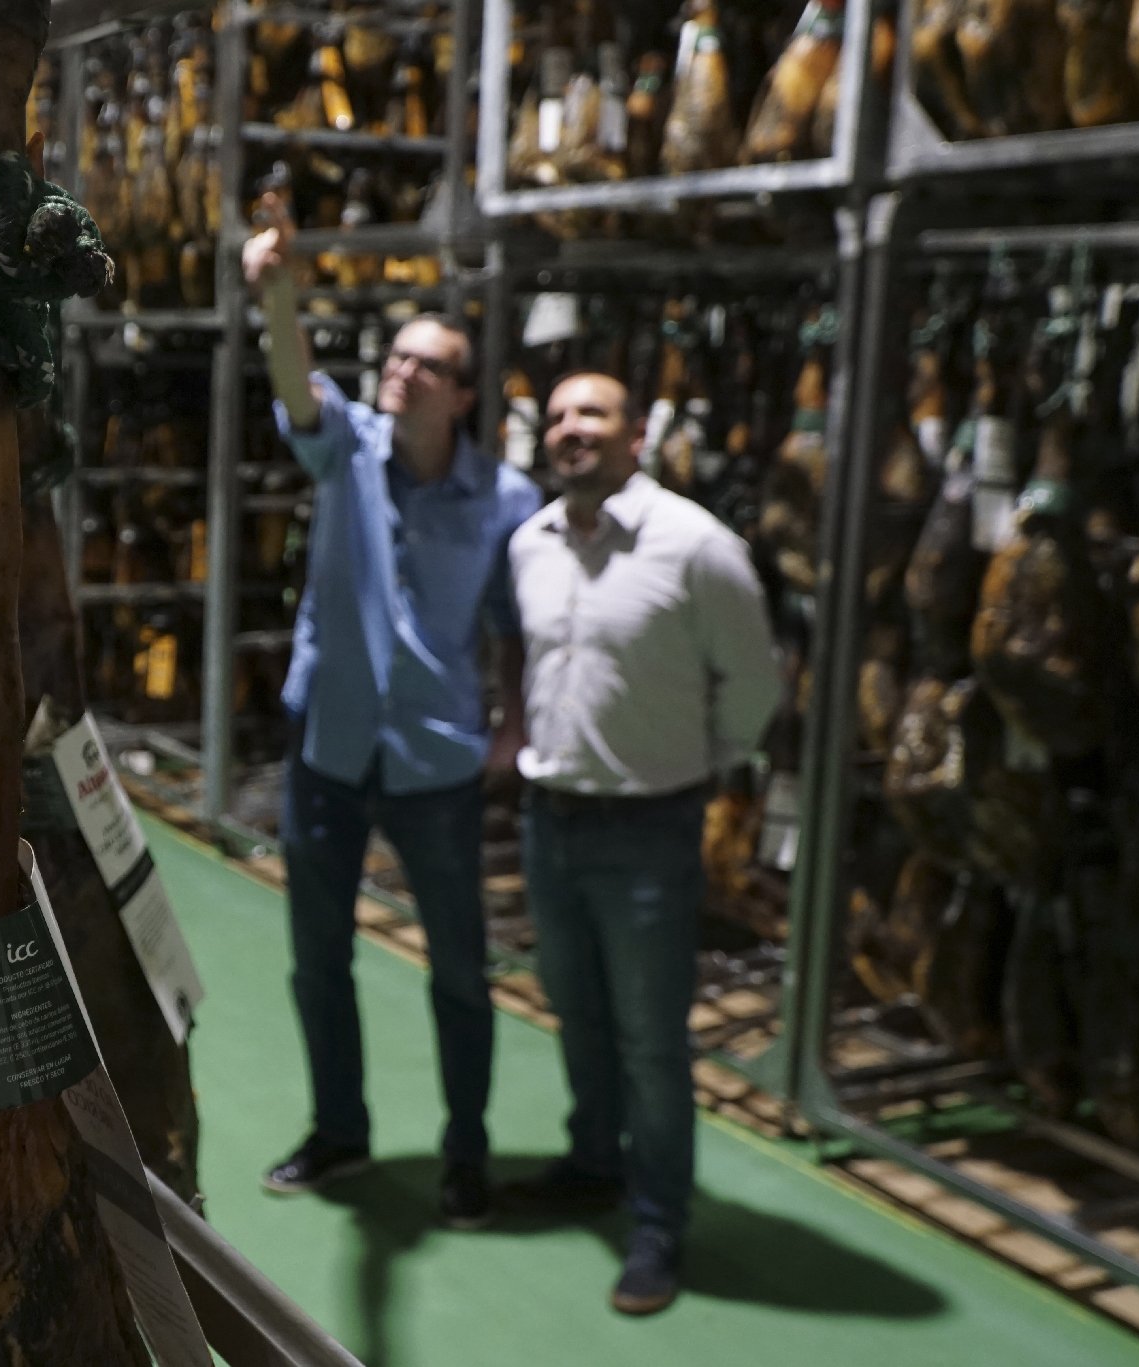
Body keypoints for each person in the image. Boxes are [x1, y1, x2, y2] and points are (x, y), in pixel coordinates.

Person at [243, 195, 542, 1230]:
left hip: (435, 763)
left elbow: (515, 626)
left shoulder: (506, 497)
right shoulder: (348, 449)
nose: (398, 372)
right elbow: (295, 383)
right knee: (317, 954)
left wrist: (512, 724)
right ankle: (340, 1128)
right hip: (328, 748)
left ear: (460, 396)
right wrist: (276, 295)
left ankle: (465, 1152)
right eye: (396, 358)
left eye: (423, 365)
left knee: (460, 968)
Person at [507, 371, 781, 1313]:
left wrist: (697, 766)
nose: (570, 429)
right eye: (557, 416)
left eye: (593, 414)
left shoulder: (697, 547)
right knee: (575, 1008)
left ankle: (659, 1219)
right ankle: (594, 1162)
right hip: (552, 820)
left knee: (652, 1037)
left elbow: (754, 686)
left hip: (648, 827)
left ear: (635, 437)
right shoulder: (529, 545)